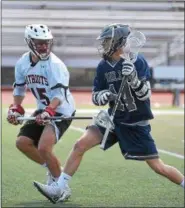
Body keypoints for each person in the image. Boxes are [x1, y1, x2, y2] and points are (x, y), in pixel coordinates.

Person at [33, 23, 184, 204]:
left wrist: (134, 80)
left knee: (159, 167)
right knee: (80, 145)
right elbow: (96, 96)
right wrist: (102, 96)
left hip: (135, 124)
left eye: (107, 41)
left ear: (119, 42)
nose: (103, 45)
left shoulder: (137, 61)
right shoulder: (103, 66)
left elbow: (146, 94)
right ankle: (60, 188)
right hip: (113, 119)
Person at [7, 24, 75, 199]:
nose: (44, 46)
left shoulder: (56, 65)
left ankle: (62, 189)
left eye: (46, 42)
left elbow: (59, 96)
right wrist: (16, 108)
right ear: (29, 43)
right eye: (39, 43)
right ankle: (53, 171)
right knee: (22, 142)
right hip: (43, 108)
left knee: (44, 147)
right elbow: (20, 89)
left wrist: (48, 112)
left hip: (61, 110)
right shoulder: (23, 63)